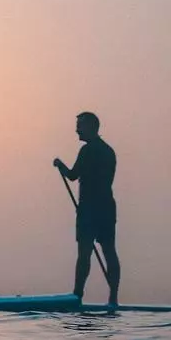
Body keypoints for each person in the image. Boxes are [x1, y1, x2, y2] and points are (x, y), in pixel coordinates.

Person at [54, 111, 120, 305]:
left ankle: (77, 295)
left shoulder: (88, 150)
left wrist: (59, 165)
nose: (76, 130)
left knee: (84, 253)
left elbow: (73, 175)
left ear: (91, 126)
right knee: (109, 250)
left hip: (90, 210)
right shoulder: (109, 151)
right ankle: (113, 298)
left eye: (80, 126)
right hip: (106, 208)